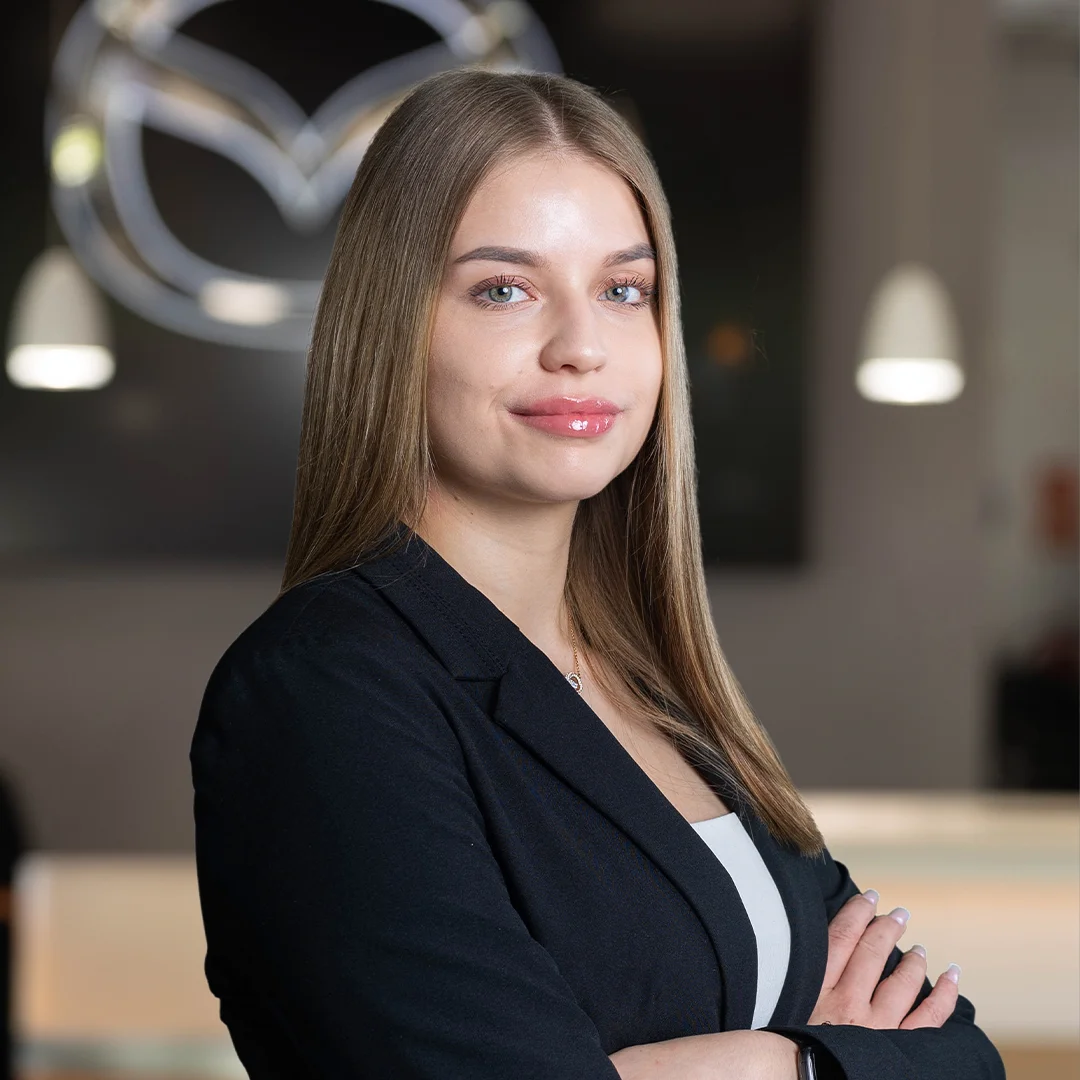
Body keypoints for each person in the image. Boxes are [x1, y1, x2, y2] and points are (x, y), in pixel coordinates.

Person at [190, 68, 1004, 1079]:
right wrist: (796, 1061)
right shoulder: (323, 690)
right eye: (505, 288)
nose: (582, 346)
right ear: (393, 323)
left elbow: (961, 1059)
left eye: (624, 290)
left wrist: (735, 1064)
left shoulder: (654, 684)